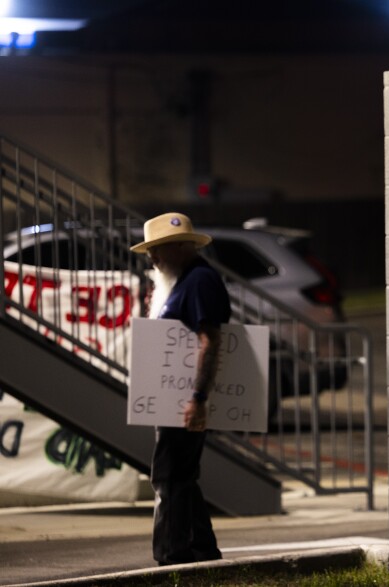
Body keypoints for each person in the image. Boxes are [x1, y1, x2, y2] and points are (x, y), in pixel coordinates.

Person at [130, 211, 231, 566]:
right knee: (181, 477)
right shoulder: (184, 280)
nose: (152, 258)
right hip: (175, 399)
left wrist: (198, 398)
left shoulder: (199, 280)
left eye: (157, 250)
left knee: (169, 477)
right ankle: (202, 550)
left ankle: (171, 558)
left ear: (179, 247)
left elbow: (210, 341)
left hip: (184, 399)